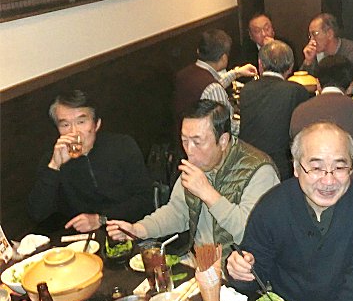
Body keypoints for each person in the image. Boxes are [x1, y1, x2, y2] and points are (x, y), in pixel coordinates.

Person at [226, 122, 353, 301]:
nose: (328, 180)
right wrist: (240, 271)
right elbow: (255, 274)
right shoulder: (273, 205)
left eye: (339, 167)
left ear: (351, 167)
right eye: (316, 168)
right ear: (296, 168)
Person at [107, 100, 279, 258]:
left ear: (223, 140)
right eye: (184, 140)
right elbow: (177, 212)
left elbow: (251, 234)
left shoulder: (260, 171)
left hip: (239, 272)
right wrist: (138, 229)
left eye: (197, 142)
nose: (189, 151)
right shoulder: (197, 164)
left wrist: (207, 193)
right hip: (201, 261)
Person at [28, 90, 154, 233]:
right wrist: (54, 166)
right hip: (79, 239)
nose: (74, 132)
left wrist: (101, 219)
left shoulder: (122, 146)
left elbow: (145, 200)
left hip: (127, 230)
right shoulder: (53, 158)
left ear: (96, 124)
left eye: (81, 122)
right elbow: (37, 214)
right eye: (65, 125)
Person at [290, 55, 353, 184]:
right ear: (352, 84)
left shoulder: (299, 111)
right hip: (351, 186)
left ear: (318, 83)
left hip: (308, 186)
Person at [238, 40, 311, 180]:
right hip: (281, 168)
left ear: (260, 64)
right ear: (290, 67)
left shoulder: (247, 90)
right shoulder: (296, 91)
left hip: (247, 163)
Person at [173, 29, 258, 136]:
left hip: (184, 136)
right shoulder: (213, 88)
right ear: (223, 58)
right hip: (207, 141)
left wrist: (237, 73)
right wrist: (254, 123)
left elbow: (210, 85)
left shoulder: (183, 74)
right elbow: (229, 127)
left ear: (198, 51)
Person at [300, 13, 353, 78]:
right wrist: (308, 62)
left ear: (330, 34)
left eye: (315, 34)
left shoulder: (352, 51)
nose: (311, 40)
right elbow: (301, 81)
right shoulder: (315, 53)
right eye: (310, 36)